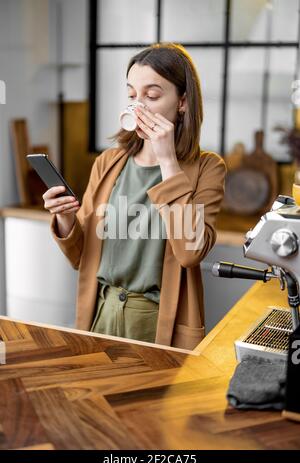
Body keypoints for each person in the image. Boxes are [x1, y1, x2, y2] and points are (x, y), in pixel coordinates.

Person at [43, 43, 226, 351]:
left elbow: (189, 253)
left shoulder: (208, 168)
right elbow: (80, 257)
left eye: (152, 96)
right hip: (101, 314)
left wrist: (167, 160)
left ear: (182, 102)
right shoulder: (108, 162)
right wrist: (65, 216)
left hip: (156, 323)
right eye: (132, 95)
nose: (138, 105)